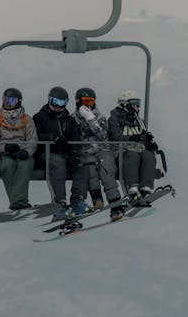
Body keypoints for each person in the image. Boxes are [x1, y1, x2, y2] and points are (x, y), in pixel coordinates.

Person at [33, 85, 88, 219]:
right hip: (45, 154)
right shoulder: (40, 117)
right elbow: (35, 136)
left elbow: (75, 139)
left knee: (82, 164)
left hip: (65, 154)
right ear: (49, 100)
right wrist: (51, 138)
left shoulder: (69, 121)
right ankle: (60, 202)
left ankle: (77, 200)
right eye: (55, 102)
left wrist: (75, 155)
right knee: (57, 163)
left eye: (62, 103)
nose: (58, 106)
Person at [71, 86, 125, 220]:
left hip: (103, 149)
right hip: (85, 151)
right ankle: (97, 199)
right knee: (90, 168)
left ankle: (115, 204)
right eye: (85, 102)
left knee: (106, 169)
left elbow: (102, 135)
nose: (88, 105)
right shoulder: (73, 119)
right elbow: (75, 136)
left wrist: (90, 119)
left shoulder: (99, 117)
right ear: (78, 102)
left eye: (90, 102)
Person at [0, 86, 37, 210]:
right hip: (2, 154)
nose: (7, 104)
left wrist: (26, 151)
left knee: (25, 165)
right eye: (5, 100)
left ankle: (18, 202)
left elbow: (32, 140)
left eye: (11, 101)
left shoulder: (27, 120)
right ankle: (19, 202)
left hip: (21, 153)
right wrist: (5, 147)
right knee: (7, 166)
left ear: (18, 102)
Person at [108, 89, 159, 203]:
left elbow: (143, 136)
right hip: (122, 152)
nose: (137, 107)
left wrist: (149, 143)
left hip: (138, 150)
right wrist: (131, 138)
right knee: (132, 156)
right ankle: (132, 188)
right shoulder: (114, 119)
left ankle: (146, 188)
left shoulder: (138, 120)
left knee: (149, 155)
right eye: (134, 104)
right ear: (125, 104)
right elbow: (115, 138)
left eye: (138, 103)